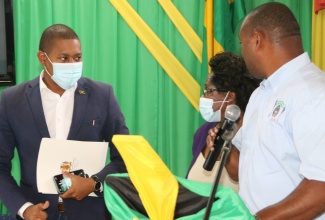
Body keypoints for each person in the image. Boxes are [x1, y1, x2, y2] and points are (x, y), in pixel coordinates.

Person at [207, 2, 325, 219]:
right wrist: (224, 147)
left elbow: (321, 187)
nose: (241, 52)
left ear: (257, 40)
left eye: (242, 43)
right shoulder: (261, 94)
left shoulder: (315, 94)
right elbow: (240, 171)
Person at [0, 24, 129, 220]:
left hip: (91, 213)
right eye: (63, 58)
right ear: (43, 58)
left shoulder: (102, 95)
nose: (72, 64)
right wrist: (24, 208)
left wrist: (94, 183)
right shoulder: (11, 101)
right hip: (38, 212)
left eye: (77, 57)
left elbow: (125, 158)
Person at [186, 51, 260, 192]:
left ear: (230, 96)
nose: (204, 96)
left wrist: (226, 151)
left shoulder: (255, 133)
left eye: (209, 90)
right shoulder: (203, 133)